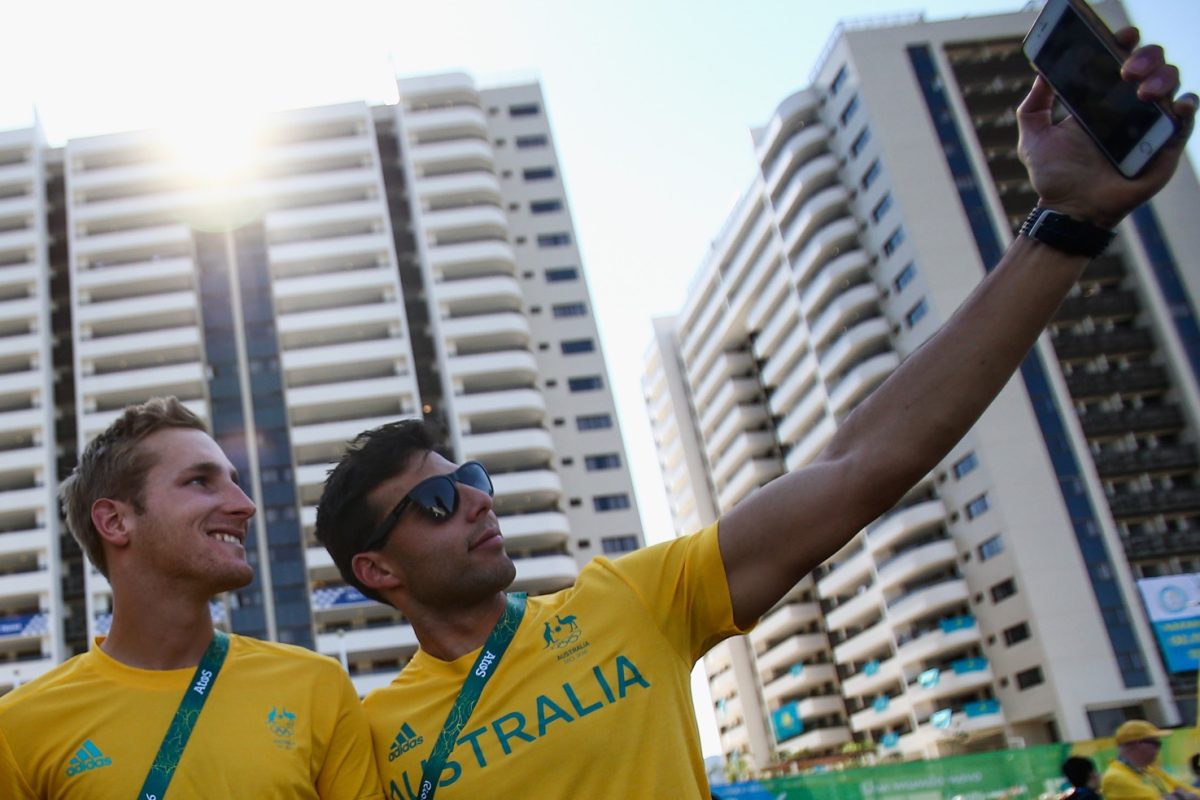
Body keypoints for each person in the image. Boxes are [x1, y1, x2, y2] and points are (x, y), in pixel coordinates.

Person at [314, 31, 1195, 799]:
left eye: (469, 480)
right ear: (377, 570)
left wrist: (1066, 222)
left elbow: (856, 470)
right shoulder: (371, 740)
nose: (477, 500)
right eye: (437, 503)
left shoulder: (628, 602)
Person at [0, 397, 381, 798]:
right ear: (114, 521)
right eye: (200, 481)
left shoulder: (318, 687)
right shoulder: (18, 730)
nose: (245, 505)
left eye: (235, 482)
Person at [1101, 720, 1198, 800]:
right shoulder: (1115, 778)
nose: (1159, 748)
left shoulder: (1150, 770)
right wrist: (1182, 796)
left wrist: (1175, 797)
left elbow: (1195, 791)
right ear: (1138, 744)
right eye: (1156, 743)